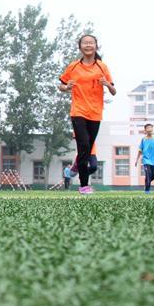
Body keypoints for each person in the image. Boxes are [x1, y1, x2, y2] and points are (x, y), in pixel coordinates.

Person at [58, 34, 116, 194]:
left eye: (91, 43)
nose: (88, 45)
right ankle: (84, 186)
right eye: (85, 43)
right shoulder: (73, 66)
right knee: (83, 147)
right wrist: (66, 87)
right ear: (80, 47)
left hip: (95, 113)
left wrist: (107, 85)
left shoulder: (102, 67)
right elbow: (61, 86)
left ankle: (74, 172)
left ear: (96, 46)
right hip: (78, 111)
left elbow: (114, 91)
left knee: (88, 147)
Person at [134, 123, 154, 193]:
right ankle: (147, 190)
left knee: (153, 176)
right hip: (145, 160)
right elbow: (140, 150)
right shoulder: (143, 139)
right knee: (148, 175)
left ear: (152, 129)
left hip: (153, 161)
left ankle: (147, 183)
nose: (149, 129)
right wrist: (136, 160)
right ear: (145, 130)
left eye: (150, 128)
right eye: (147, 128)